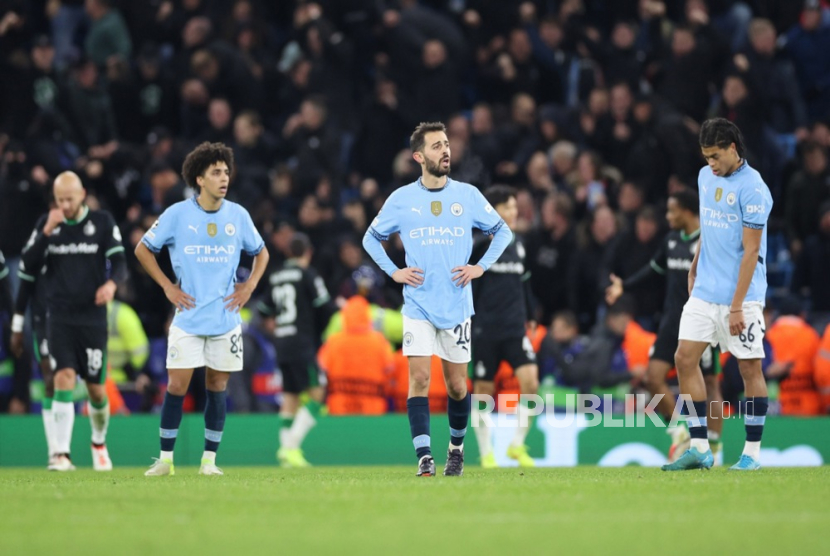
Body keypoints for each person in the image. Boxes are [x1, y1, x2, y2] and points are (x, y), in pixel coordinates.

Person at [362, 121, 513, 477]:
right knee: (419, 379)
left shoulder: (467, 195)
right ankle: (424, 457)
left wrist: (480, 267)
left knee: (458, 386)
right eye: (436, 146)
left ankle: (456, 450)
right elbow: (371, 238)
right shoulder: (401, 199)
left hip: (457, 305)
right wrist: (394, 272)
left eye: (446, 144)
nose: (445, 151)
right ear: (418, 156)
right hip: (417, 304)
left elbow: (502, 231)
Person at [135, 142, 268, 476]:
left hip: (225, 317)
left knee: (217, 386)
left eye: (226, 172)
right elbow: (142, 249)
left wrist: (249, 285)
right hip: (188, 316)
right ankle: (165, 459)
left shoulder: (238, 215)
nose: (224, 178)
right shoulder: (178, 214)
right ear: (199, 179)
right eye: (216, 173)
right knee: (177, 385)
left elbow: (261, 252)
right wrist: (167, 286)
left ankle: (209, 461)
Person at [663, 118, 773, 471]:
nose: (710, 163)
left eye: (715, 156)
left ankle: (752, 454)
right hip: (705, 290)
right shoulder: (704, 177)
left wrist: (738, 307)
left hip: (742, 297)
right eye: (705, 156)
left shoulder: (754, 189)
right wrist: (695, 265)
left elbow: (751, 251)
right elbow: (709, 228)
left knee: (748, 367)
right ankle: (699, 447)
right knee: (684, 358)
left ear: (732, 149)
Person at [16, 171, 127, 471]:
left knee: (96, 389)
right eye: (59, 200)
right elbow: (27, 265)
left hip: (92, 318)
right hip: (59, 316)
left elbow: (120, 262)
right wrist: (47, 231)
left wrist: (112, 285)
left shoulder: (102, 222)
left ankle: (99, 442)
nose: (64, 205)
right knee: (63, 376)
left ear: (81, 195)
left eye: (69, 199)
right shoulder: (47, 224)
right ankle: (61, 455)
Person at [605, 190, 726, 463]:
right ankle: (679, 431)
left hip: (702, 322)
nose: (668, 217)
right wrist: (624, 285)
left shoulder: (710, 241)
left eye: (673, 211)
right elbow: (653, 270)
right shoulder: (671, 241)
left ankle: (714, 446)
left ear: (688, 211)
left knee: (709, 381)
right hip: (672, 321)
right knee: (652, 378)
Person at [468, 185, 539, 469]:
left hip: (514, 329)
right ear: (494, 211)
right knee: (483, 393)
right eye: (508, 207)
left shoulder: (518, 243)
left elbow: (525, 283)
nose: (514, 212)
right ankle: (486, 453)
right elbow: (468, 285)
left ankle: (516, 445)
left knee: (531, 385)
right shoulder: (481, 245)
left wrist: (531, 314)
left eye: (514, 206)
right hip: (486, 330)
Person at [258, 232, 336, 467]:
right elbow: (326, 308)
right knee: (318, 393)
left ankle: (286, 457)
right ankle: (290, 447)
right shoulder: (308, 275)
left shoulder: (276, 276)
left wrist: (280, 329)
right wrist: (315, 334)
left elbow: (263, 311)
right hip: (302, 342)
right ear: (308, 252)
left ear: (288, 252)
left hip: (282, 343)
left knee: (290, 396)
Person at [10, 249, 56, 466]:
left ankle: (96, 444)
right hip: (43, 322)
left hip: (68, 320)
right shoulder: (37, 241)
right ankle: (57, 450)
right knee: (51, 380)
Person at [318, 295, 394, 415]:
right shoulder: (379, 342)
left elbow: (322, 369)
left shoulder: (333, 341)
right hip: (372, 408)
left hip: (339, 408)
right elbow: (390, 370)